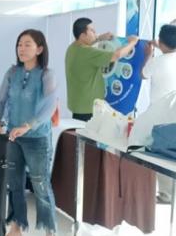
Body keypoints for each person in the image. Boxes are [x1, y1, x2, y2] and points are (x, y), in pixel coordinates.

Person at [0, 29, 58, 236]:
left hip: (37, 138)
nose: (22, 48)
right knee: (14, 185)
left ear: (39, 49)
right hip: (13, 137)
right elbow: (0, 99)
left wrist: (28, 126)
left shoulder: (46, 75)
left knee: (41, 186)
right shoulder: (12, 72)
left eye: (27, 44)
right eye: (19, 44)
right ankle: (16, 229)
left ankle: (50, 235)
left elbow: (49, 106)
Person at [65, 17, 139, 121]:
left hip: (78, 106)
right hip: (89, 110)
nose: (95, 33)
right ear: (82, 35)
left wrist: (99, 38)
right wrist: (133, 42)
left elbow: (85, 44)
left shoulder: (72, 48)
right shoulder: (88, 53)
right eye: (92, 31)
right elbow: (116, 55)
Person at [142, 24, 176, 203]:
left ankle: (166, 194)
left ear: (161, 42)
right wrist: (160, 45)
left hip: (160, 115)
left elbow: (143, 74)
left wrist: (149, 54)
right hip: (174, 113)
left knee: (162, 154)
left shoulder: (156, 62)